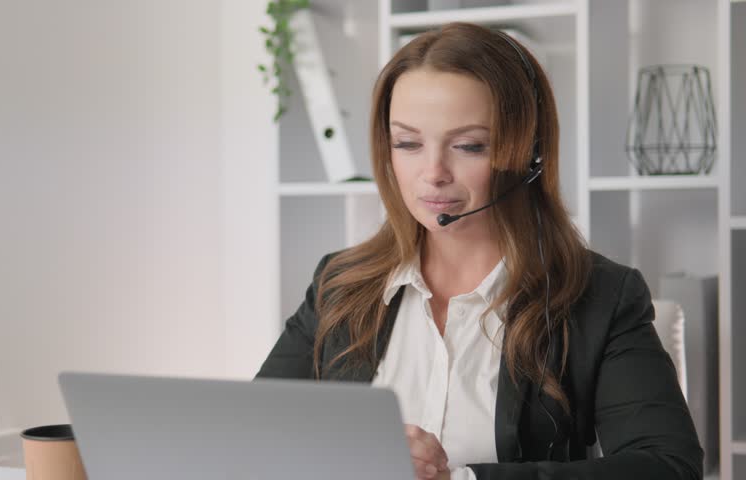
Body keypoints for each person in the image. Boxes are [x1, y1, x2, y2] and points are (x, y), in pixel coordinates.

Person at [256, 22, 703, 480]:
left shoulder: (600, 296)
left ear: (530, 153)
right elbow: (253, 433)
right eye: (407, 143)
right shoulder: (339, 284)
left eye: (468, 145)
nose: (433, 173)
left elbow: (668, 466)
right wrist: (355, 452)